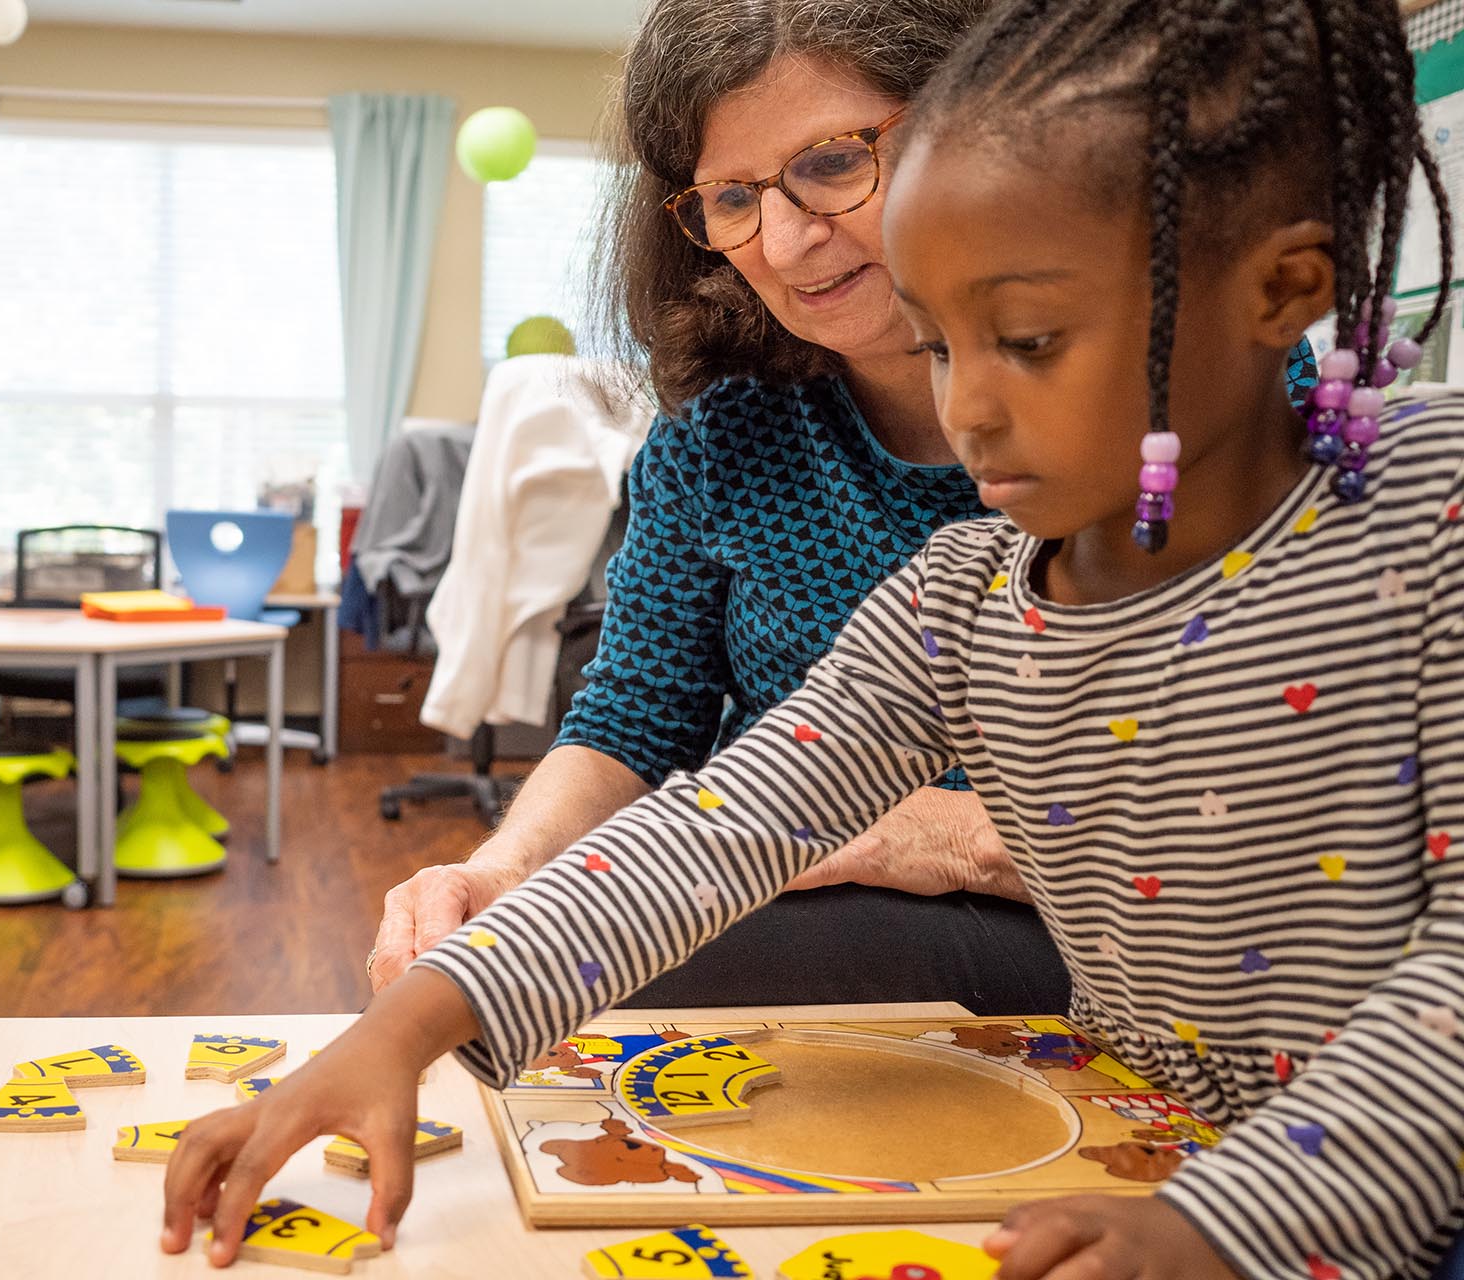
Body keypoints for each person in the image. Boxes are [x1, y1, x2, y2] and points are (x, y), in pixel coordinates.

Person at [166, 0, 1464, 1275]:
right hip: (1167, 1160)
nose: (970, 412)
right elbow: (719, 829)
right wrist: (402, 1028)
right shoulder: (962, 592)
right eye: (940, 344)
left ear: (1282, 291)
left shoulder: (1427, 515)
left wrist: (1222, 1218)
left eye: (1025, 341)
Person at [370, 0, 1315, 1013]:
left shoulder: (1206, 394)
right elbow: (635, 719)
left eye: (831, 163)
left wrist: (932, 832)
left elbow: (1282, 783)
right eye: (730, 197)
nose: (781, 242)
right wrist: (507, 870)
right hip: (791, 890)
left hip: (1129, 937)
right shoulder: (728, 434)